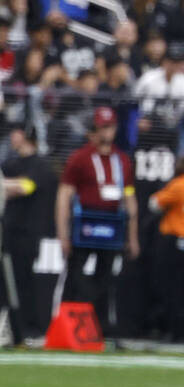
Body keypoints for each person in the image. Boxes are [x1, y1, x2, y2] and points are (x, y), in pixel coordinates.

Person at [55, 107, 139, 337]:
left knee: (106, 276)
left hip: (112, 224)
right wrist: (62, 234)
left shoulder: (122, 160)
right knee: (75, 273)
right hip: (85, 222)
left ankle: (100, 329)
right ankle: (66, 324)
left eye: (110, 127)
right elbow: (64, 195)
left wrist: (132, 236)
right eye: (102, 127)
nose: (106, 132)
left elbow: (130, 198)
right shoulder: (80, 158)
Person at [0, 123, 56, 344]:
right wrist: (8, 185)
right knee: (6, 282)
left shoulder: (40, 165)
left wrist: (4, 185)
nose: (12, 137)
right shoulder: (10, 164)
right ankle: (10, 328)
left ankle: (28, 329)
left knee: (24, 281)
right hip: (8, 230)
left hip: (29, 233)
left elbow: (25, 187)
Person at [148, 158, 184, 342]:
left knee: (170, 286)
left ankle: (173, 329)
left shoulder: (178, 185)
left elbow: (154, 203)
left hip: (174, 240)